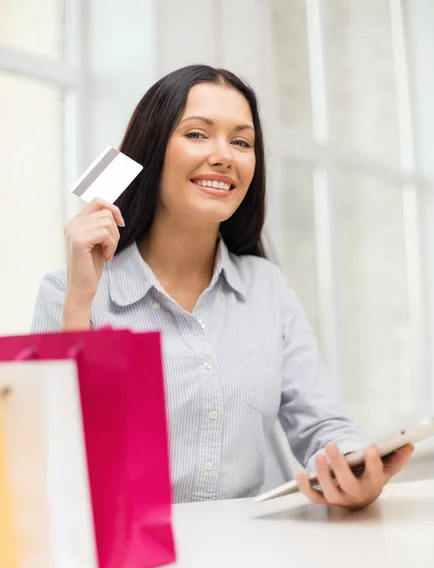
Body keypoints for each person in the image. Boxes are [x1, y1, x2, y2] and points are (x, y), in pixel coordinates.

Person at [32, 64, 413, 508]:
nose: (224, 155)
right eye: (197, 134)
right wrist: (81, 300)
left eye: (241, 141)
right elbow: (52, 453)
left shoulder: (267, 287)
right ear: (152, 150)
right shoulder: (66, 292)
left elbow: (320, 424)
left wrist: (353, 467)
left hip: (247, 556)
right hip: (126, 561)